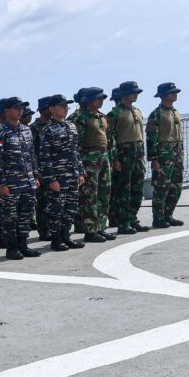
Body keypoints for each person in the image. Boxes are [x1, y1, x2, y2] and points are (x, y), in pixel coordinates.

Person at [0, 97, 41, 260]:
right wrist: (1, 183)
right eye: (16, 108)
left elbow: (31, 155)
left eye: (21, 108)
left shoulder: (26, 130)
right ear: (7, 111)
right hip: (10, 183)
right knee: (10, 217)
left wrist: (35, 174)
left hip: (27, 181)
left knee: (25, 215)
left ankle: (23, 245)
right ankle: (12, 248)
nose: (20, 111)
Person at [38, 95, 86, 251]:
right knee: (56, 209)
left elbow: (76, 152)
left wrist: (80, 172)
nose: (65, 108)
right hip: (58, 177)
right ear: (51, 109)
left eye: (67, 106)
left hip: (72, 175)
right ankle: (56, 239)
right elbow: (44, 157)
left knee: (70, 208)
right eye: (62, 105)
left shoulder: (71, 126)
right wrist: (51, 179)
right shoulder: (47, 130)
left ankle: (66, 236)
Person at [71, 87, 116, 243]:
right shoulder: (81, 118)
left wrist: (111, 158)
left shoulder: (102, 117)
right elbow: (77, 144)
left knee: (104, 194)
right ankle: (90, 230)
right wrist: (80, 167)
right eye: (98, 98)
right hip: (89, 160)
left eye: (102, 98)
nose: (101, 101)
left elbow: (109, 140)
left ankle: (100, 227)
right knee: (90, 196)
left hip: (103, 158)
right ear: (89, 100)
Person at [107, 81, 149, 234]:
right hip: (123, 153)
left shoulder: (137, 111)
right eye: (133, 92)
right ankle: (123, 222)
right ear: (124, 94)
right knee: (123, 190)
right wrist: (114, 159)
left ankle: (132, 218)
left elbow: (141, 135)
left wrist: (142, 153)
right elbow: (110, 139)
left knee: (138, 189)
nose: (136, 95)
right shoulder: (114, 113)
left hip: (137, 153)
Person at [146, 82, 185, 228]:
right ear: (163, 95)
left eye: (175, 92)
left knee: (176, 186)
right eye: (172, 92)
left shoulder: (175, 111)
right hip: (164, 153)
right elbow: (151, 138)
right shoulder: (157, 114)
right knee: (161, 187)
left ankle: (169, 215)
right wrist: (154, 158)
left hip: (177, 152)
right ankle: (158, 218)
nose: (175, 94)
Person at [30, 97, 53, 241]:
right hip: (41, 170)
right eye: (48, 108)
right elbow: (31, 151)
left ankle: (53, 228)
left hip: (54, 169)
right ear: (43, 110)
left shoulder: (55, 125)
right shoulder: (34, 128)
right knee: (43, 202)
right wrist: (36, 172)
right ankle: (44, 231)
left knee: (53, 201)